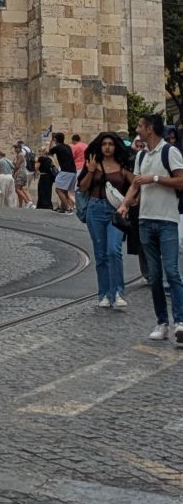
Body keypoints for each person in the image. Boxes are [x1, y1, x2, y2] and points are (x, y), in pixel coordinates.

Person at [118, 110, 183, 343]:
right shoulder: (142, 157)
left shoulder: (170, 152)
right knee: (154, 276)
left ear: (150, 129)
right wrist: (125, 204)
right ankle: (162, 323)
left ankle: (180, 322)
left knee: (172, 273)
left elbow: (181, 180)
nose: (137, 129)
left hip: (167, 220)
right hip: (145, 220)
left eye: (139, 126)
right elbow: (135, 185)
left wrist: (154, 179)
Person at [77, 132, 135, 311]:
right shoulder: (93, 164)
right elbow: (83, 187)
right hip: (95, 210)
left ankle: (118, 292)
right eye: (104, 144)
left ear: (116, 146)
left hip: (115, 212)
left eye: (110, 144)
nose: (107, 147)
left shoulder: (122, 166)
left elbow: (135, 184)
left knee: (113, 251)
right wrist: (91, 170)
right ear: (100, 147)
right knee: (101, 254)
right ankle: (104, 294)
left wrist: (130, 202)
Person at [49, 131, 77, 213]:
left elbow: (48, 152)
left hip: (66, 171)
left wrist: (50, 141)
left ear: (56, 139)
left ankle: (68, 208)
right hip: (73, 171)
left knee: (58, 190)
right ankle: (62, 207)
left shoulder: (58, 147)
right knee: (64, 190)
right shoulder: (67, 146)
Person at [13, 144, 32, 208]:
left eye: (17, 148)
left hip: (20, 173)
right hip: (21, 173)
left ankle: (27, 202)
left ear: (20, 148)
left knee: (17, 189)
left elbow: (17, 166)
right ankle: (20, 205)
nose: (15, 149)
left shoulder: (20, 155)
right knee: (19, 189)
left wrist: (13, 172)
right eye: (15, 148)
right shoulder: (19, 155)